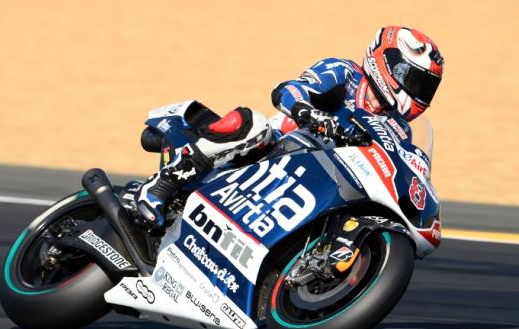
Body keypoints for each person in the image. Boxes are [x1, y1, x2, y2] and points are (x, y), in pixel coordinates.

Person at [134, 26, 444, 228]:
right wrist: (310, 114)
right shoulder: (345, 73)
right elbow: (288, 90)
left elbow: (406, 161)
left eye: (425, 86)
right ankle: (162, 186)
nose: (416, 90)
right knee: (254, 124)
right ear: (386, 62)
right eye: (413, 78)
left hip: (315, 182)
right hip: (271, 150)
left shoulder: (399, 128)